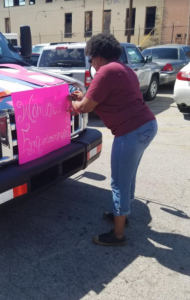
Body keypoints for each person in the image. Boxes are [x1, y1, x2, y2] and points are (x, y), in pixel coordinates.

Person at [69, 33, 158, 246]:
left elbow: (84, 108)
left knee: (119, 181)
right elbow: (100, 98)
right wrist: (84, 98)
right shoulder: (123, 69)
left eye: (90, 58)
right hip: (146, 125)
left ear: (98, 57)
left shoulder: (105, 72)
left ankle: (118, 234)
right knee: (129, 175)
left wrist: (72, 102)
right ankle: (122, 215)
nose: (90, 63)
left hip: (131, 130)